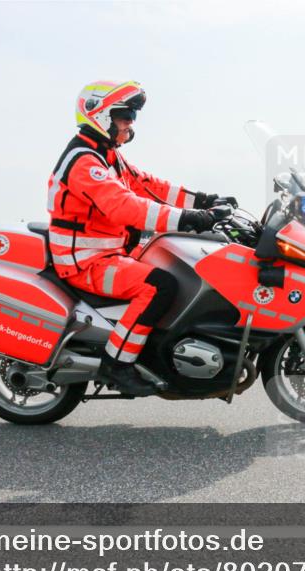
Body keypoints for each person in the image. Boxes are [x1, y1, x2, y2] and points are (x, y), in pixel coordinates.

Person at [46, 80, 236, 395]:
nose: (130, 123)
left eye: (132, 115)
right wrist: (187, 219)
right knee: (160, 286)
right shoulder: (84, 163)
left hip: (110, 254)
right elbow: (125, 206)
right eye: (124, 115)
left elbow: (148, 185)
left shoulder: (105, 155)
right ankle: (116, 363)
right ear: (100, 115)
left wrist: (203, 199)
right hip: (86, 263)